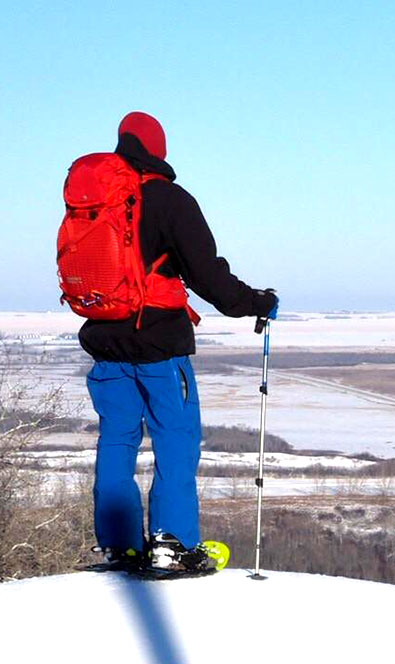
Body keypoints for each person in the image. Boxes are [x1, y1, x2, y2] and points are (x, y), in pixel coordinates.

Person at [76, 111, 277, 569]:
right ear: (159, 150)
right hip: (159, 345)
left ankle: (119, 544)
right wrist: (257, 302)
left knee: (117, 440)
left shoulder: (95, 203)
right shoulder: (170, 200)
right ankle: (173, 543)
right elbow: (210, 279)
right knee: (175, 439)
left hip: (105, 343)